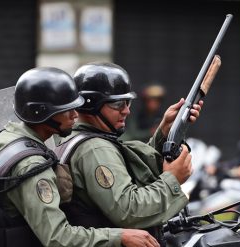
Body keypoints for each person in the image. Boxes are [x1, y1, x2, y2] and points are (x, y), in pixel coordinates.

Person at [0, 67, 159, 247]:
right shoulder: (31, 165)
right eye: (66, 110)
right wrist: (120, 236)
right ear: (42, 114)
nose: (75, 115)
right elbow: (58, 238)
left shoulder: (0, 140)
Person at [55, 62, 203, 245]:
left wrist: (164, 132)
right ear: (91, 105)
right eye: (118, 104)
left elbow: (133, 173)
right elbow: (130, 211)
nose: (126, 110)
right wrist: (173, 179)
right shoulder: (95, 149)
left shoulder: (78, 139)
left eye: (128, 102)